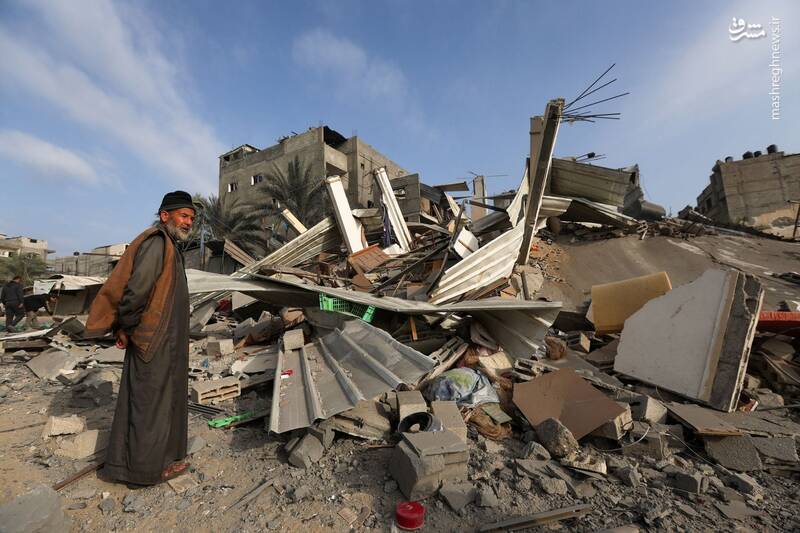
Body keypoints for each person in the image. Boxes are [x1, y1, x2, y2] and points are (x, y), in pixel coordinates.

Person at [85, 191, 195, 485]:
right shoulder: (156, 243)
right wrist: (127, 327)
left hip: (168, 342)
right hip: (153, 341)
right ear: (165, 216)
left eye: (191, 218)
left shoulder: (171, 246)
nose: (188, 222)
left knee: (162, 401)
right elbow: (136, 291)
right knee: (148, 404)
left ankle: (160, 460)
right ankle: (141, 472)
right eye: (184, 216)